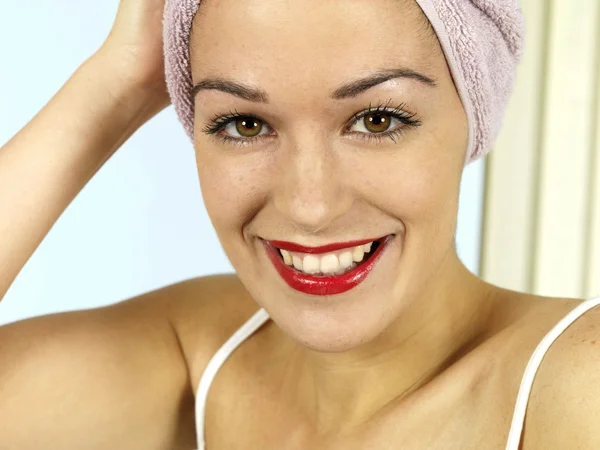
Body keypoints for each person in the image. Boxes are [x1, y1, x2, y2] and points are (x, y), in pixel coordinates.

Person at [0, 0, 598, 449]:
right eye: (244, 125)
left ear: (475, 112)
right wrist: (115, 85)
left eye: (378, 119)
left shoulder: (576, 384)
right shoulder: (193, 360)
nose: (310, 205)